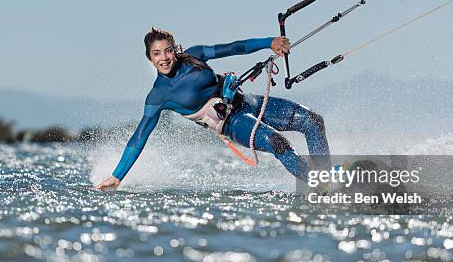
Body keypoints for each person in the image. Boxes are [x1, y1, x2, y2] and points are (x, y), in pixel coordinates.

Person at [95, 28, 330, 190]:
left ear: (175, 49)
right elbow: (138, 138)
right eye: (157, 54)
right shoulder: (158, 96)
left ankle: (330, 179)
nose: (164, 58)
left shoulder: (195, 56)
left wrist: (269, 43)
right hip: (232, 124)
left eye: (168, 50)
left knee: (313, 121)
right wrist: (117, 177)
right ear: (149, 58)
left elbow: (234, 47)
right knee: (279, 143)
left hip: (248, 102)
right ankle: (320, 187)